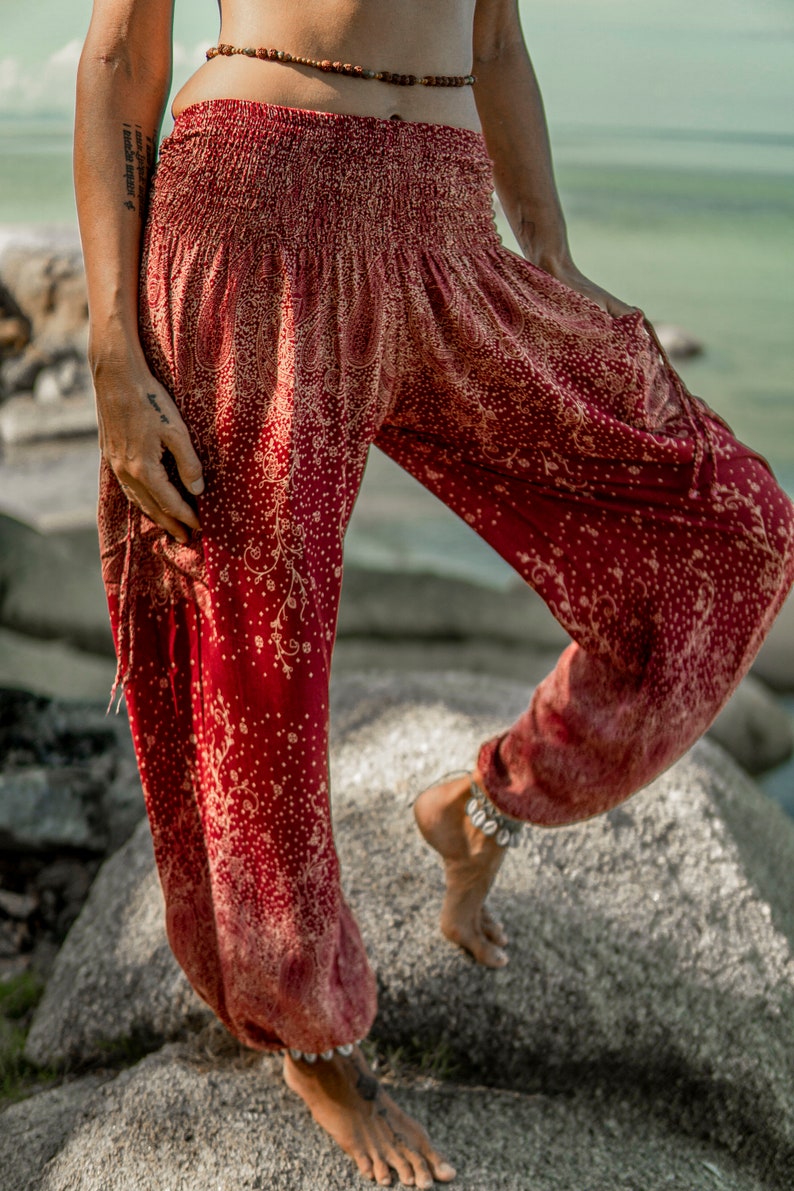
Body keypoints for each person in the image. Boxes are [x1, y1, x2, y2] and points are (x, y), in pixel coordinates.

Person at [74, 1, 794, 1186]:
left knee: (731, 533)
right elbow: (118, 52)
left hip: (446, 221)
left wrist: (549, 253)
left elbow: (495, 40)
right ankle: (307, 1033)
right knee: (261, 658)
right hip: (259, 201)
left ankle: (488, 799)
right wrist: (113, 348)